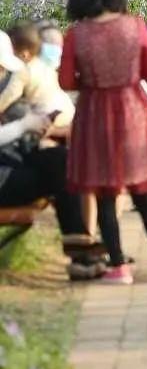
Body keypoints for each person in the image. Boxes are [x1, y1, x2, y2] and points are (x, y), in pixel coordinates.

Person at [59, 0, 147, 283]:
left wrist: (90, 80)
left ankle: (119, 267)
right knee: (144, 192)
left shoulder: (76, 35)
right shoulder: (136, 26)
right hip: (133, 113)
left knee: (105, 194)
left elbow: (65, 81)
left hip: (94, 116)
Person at [0, 39, 101, 281]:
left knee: (60, 160)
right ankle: (81, 253)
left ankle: (80, 249)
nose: (3, 76)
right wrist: (24, 125)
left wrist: (35, 128)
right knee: (58, 171)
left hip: (9, 164)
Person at [0, 23, 74, 128]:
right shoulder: (44, 65)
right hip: (67, 110)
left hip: (48, 114)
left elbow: (10, 95)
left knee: (16, 113)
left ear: (24, 54)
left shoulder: (22, 71)